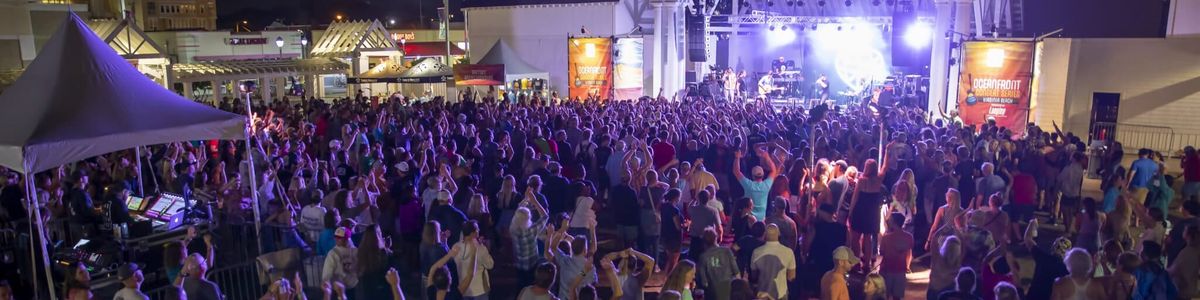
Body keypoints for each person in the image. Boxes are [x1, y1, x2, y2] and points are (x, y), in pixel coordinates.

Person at [546, 217, 597, 297]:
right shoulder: (588, 267)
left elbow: (553, 247)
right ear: (585, 250)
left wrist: (563, 230)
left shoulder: (564, 260)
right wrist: (592, 230)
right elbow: (591, 282)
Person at [848, 159, 885, 269]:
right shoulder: (878, 180)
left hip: (860, 211)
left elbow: (855, 197)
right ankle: (867, 264)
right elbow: (885, 167)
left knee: (855, 237)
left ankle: (856, 261)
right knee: (868, 237)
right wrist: (888, 151)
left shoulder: (861, 180)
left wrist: (850, 212)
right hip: (872, 212)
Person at [512, 190, 551, 289]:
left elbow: (518, 211)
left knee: (521, 287)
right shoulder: (531, 231)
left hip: (519, 265)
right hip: (531, 266)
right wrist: (534, 201)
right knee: (530, 287)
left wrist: (526, 199)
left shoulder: (513, 228)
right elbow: (545, 216)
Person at [751, 224, 796, 299]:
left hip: (762, 294)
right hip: (781, 294)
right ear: (779, 234)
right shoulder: (788, 252)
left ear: (765, 234)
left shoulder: (756, 252)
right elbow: (791, 277)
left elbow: (754, 275)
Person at [735, 145, 779, 220]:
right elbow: (774, 170)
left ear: (752, 176)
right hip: (761, 220)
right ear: (763, 175)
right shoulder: (766, 186)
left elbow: (736, 171)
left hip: (748, 220)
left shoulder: (749, 185)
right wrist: (766, 156)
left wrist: (737, 157)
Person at [697, 227, 739, 300]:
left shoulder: (703, 257)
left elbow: (704, 282)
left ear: (703, 242)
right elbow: (737, 273)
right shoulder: (727, 251)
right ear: (716, 238)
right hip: (729, 292)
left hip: (713, 294)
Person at [879, 213, 913, 300]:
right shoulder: (909, 237)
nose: (888, 221)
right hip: (900, 271)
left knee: (885, 296)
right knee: (897, 297)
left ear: (894, 222)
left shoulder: (886, 238)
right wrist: (907, 267)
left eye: (890, 220)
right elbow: (909, 254)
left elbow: (882, 252)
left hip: (886, 270)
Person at [324, 227, 360, 292]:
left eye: (340, 237)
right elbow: (327, 273)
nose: (337, 239)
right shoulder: (333, 253)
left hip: (355, 286)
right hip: (339, 289)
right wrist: (326, 283)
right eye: (336, 237)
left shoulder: (356, 251)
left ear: (347, 239)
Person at [1169, 224, 1200, 299]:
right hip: (1190, 289)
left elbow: (1175, 269)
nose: (1183, 231)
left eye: (1185, 230)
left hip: (1181, 290)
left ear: (1189, 235)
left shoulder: (1187, 252)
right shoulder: (1196, 250)